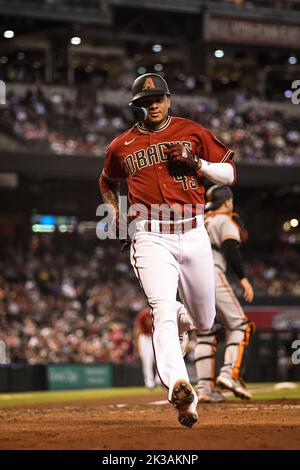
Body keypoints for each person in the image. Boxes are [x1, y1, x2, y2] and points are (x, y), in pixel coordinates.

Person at [99, 73, 236, 427]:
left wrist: (198, 164)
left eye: (158, 99)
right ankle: (180, 388)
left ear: (169, 100)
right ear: (136, 107)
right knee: (161, 309)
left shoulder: (191, 130)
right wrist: (114, 211)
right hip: (150, 235)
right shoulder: (120, 146)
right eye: (145, 102)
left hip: (193, 232)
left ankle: (180, 317)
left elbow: (230, 174)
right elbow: (106, 180)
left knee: (204, 321)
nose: (153, 105)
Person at [194, 185, 255, 402]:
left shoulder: (198, 220)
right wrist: (243, 279)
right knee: (241, 325)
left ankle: (205, 390)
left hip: (190, 279)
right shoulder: (224, 219)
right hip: (212, 273)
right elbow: (230, 247)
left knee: (205, 333)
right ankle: (229, 374)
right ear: (227, 202)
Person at [134, 304, 191, 390]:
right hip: (145, 338)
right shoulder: (143, 314)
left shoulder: (158, 313)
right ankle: (149, 383)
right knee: (147, 362)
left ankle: (160, 380)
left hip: (155, 336)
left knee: (160, 359)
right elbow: (138, 329)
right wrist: (137, 346)